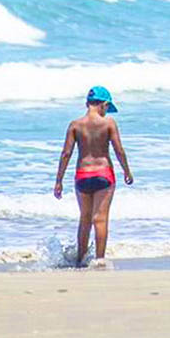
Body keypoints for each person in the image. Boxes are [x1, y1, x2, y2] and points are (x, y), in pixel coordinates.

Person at [53, 85, 133, 266]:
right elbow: (119, 150)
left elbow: (66, 153)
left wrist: (59, 181)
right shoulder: (109, 123)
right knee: (101, 218)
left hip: (82, 176)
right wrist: (127, 171)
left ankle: (80, 261)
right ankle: (99, 261)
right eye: (106, 108)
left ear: (87, 103)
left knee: (85, 218)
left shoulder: (75, 125)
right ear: (104, 105)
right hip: (104, 175)